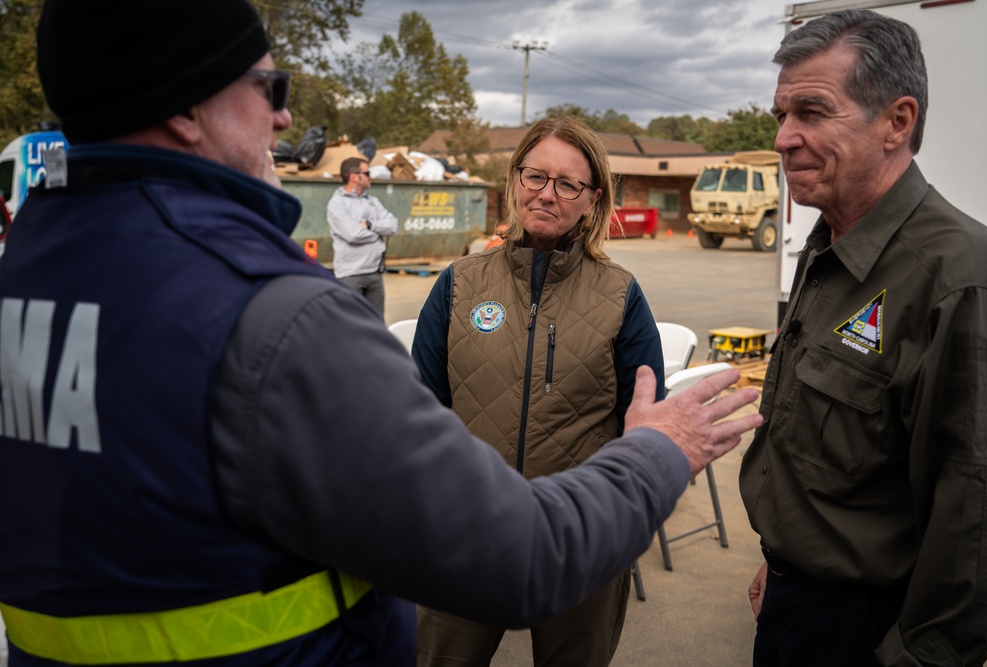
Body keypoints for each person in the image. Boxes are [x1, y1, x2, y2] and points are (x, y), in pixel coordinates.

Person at [0, 0, 763, 665]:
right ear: (183, 104)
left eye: (570, 182)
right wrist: (662, 450)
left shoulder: (30, 270)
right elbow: (524, 553)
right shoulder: (278, 315)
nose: (284, 117)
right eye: (269, 87)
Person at [740, 9, 987, 666]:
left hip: (871, 626)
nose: (783, 139)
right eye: (780, 116)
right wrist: (783, 555)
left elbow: (978, 523)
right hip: (792, 599)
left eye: (812, 112)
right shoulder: (826, 249)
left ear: (897, 121)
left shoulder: (960, 277)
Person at [411, 115, 663, 667]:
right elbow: (418, 413)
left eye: (567, 183)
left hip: (581, 541)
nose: (547, 194)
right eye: (535, 176)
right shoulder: (459, 284)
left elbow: (645, 428)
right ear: (515, 179)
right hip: (468, 536)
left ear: (592, 200)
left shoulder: (620, 296)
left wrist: (613, 522)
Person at [326, 156, 398, 319]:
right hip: (351, 275)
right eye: (367, 173)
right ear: (354, 177)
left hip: (374, 274)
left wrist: (370, 225)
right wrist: (379, 231)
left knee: (377, 325)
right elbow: (353, 235)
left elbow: (392, 226)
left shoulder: (372, 201)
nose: (370, 176)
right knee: (350, 325)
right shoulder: (337, 204)